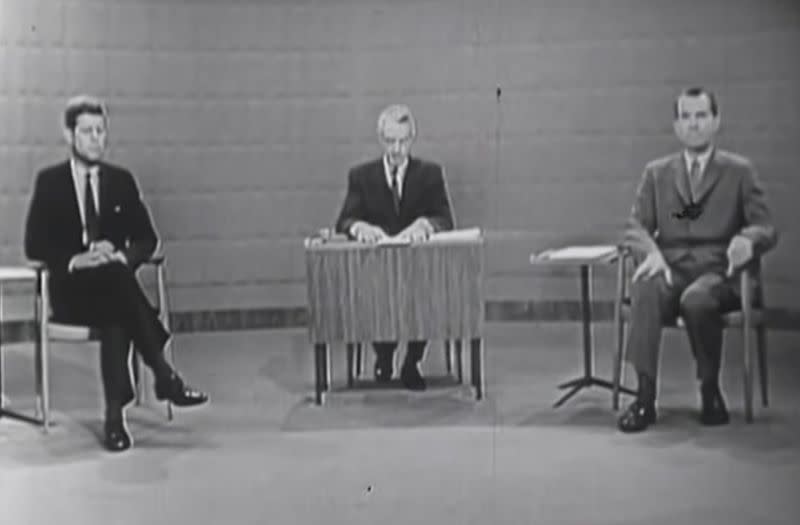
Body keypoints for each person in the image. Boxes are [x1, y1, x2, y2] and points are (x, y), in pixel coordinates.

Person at [24, 95, 208, 452]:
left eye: (100, 131)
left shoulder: (121, 181)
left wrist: (121, 256)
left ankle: (115, 420)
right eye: (87, 131)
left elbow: (146, 238)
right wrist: (78, 259)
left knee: (116, 301)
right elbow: (35, 244)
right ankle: (162, 373)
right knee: (118, 294)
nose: (96, 138)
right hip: (72, 295)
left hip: (112, 291)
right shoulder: (50, 182)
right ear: (69, 135)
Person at [618, 86, 778, 433]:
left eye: (701, 116)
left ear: (716, 121)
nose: (694, 125)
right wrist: (653, 253)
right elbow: (635, 227)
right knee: (644, 284)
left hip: (719, 271)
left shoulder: (739, 171)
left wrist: (747, 240)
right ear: (676, 126)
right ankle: (644, 398)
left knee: (697, 300)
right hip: (670, 267)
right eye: (686, 117)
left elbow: (766, 226)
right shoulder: (656, 173)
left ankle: (710, 390)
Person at [335, 104, 454, 391]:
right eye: (390, 141)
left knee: (424, 295)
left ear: (412, 138)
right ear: (381, 139)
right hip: (377, 269)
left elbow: (445, 219)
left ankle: (412, 363)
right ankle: (384, 356)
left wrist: (425, 225)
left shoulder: (430, 174)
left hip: (417, 268)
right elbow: (344, 220)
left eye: (402, 141)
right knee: (377, 294)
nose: (397, 149)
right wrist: (359, 228)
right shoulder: (361, 176)